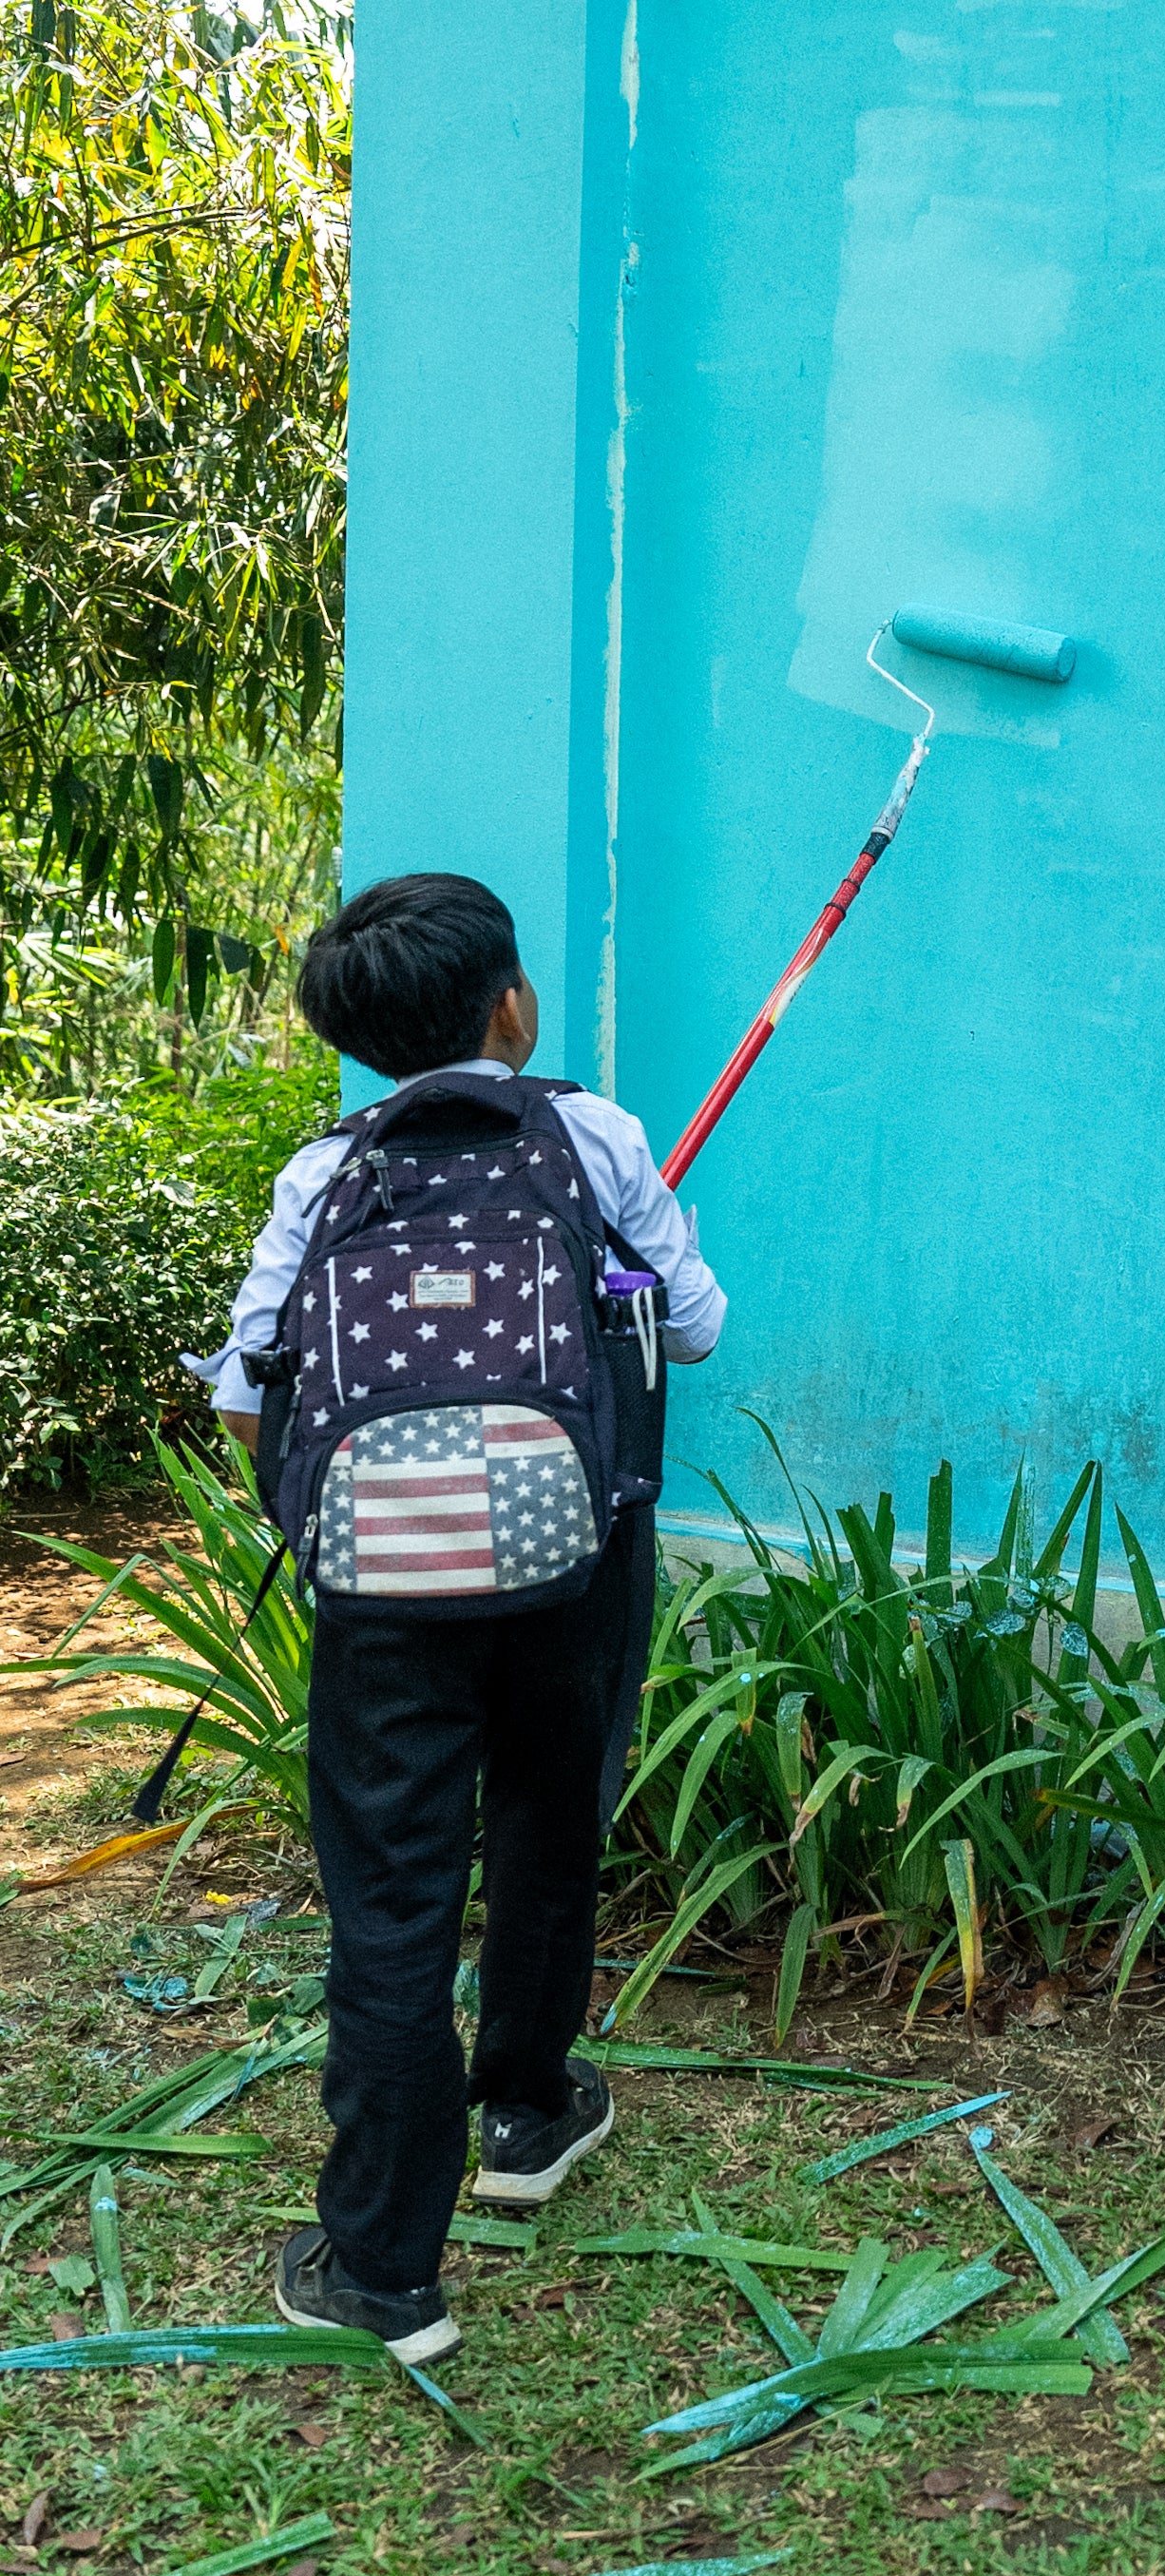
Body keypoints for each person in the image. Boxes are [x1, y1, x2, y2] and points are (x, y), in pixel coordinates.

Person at [194, 874, 726, 2363]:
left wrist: (333, 1525)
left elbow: (247, 1394)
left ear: (358, 1041)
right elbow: (693, 1327)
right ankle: (529, 2112)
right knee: (550, 1823)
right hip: (576, 1563)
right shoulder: (594, 1134)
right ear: (512, 1006)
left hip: (382, 1592)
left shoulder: (328, 1172)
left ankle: (380, 2265)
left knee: (392, 1894)